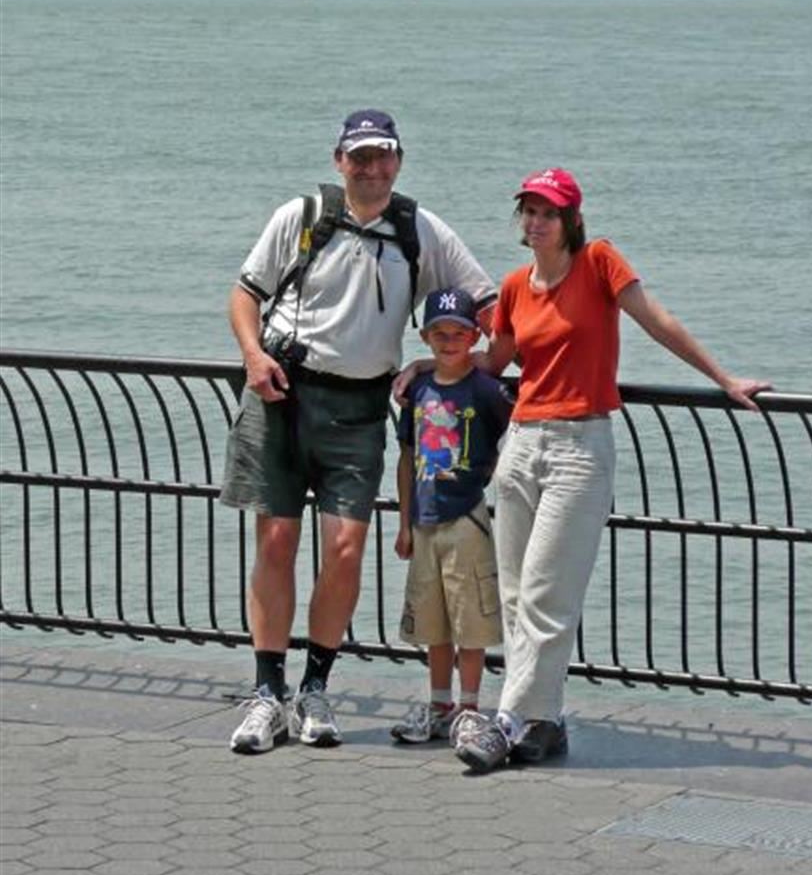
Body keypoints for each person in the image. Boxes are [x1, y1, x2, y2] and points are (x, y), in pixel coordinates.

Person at [443, 167, 771, 772]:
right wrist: (431, 367)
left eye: (549, 212)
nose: (537, 222)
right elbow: (495, 361)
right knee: (515, 596)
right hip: (521, 446)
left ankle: (505, 722)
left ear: (571, 219)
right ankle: (545, 721)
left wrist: (723, 378)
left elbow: (656, 320)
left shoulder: (598, 262)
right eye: (529, 211)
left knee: (545, 593)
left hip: (580, 448)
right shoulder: (514, 287)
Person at [221, 110, 496, 755]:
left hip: (361, 408)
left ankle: (314, 690)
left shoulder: (418, 229)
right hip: (282, 393)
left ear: (399, 160)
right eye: (360, 157)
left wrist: (451, 364)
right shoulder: (302, 216)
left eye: (383, 156)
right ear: (339, 160)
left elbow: (488, 304)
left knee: (345, 549)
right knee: (276, 541)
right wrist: (253, 357)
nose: (372, 168)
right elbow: (244, 294)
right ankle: (267, 694)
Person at [390, 287, 513, 744]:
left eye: (458, 333)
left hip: (467, 517)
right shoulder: (417, 390)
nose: (448, 341)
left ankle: (469, 707)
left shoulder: (486, 390)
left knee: (471, 619)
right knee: (434, 620)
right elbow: (406, 457)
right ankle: (440, 704)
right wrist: (404, 523)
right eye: (439, 334)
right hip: (424, 520)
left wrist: (492, 471)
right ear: (425, 338)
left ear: (474, 336)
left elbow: (514, 432)